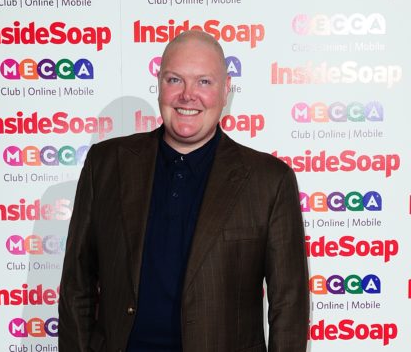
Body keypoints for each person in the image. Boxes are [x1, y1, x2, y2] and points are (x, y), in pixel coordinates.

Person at [58, 30, 309, 352]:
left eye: (204, 82)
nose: (188, 95)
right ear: (160, 84)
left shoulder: (269, 180)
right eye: (175, 79)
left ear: (226, 90)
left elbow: (288, 304)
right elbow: (77, 282)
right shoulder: (106, 164)